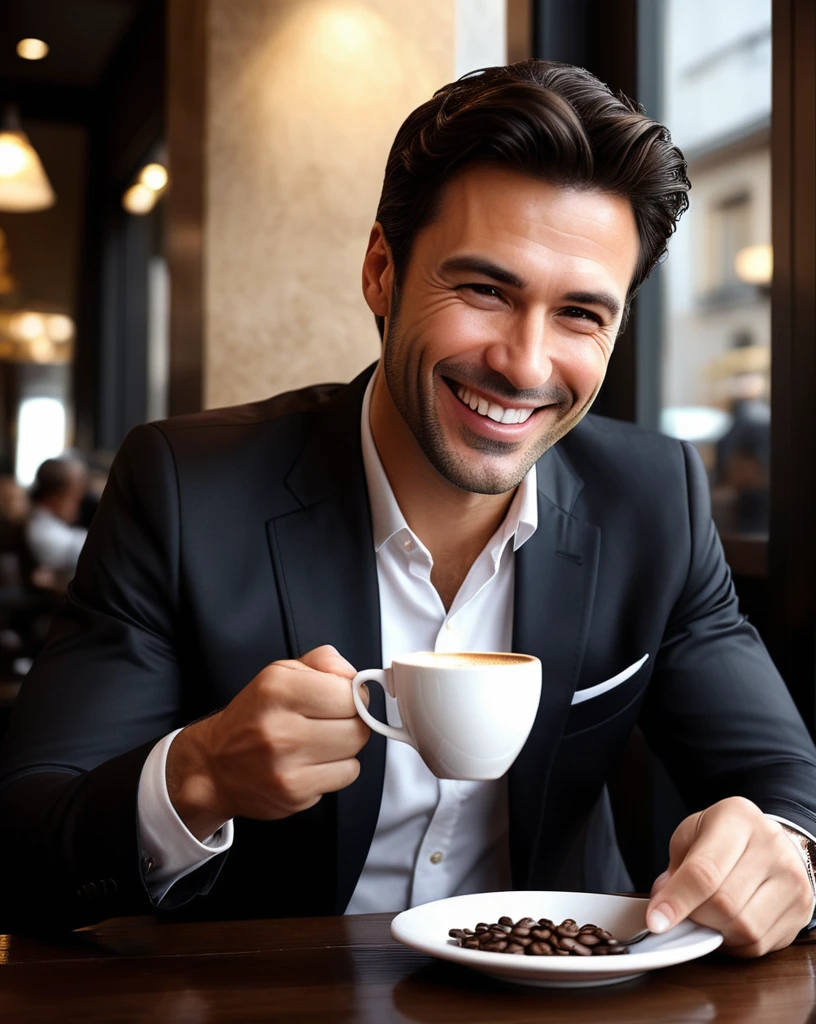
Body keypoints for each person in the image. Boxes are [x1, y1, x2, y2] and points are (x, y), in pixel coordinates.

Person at [1, 60, 815, 956]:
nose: (526, 364)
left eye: (582, 313)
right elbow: (25, 840)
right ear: (383, 272)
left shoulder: (654, 498)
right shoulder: (185, 487)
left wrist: (785, 855)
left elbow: (786, 782)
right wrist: (193, 778)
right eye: (485, 290)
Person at [25, 457, 89, 581]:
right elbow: (98, 553)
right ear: (54, 495)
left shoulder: (49, 525)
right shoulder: (44, 532)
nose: (80, 499)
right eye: (75, 493)